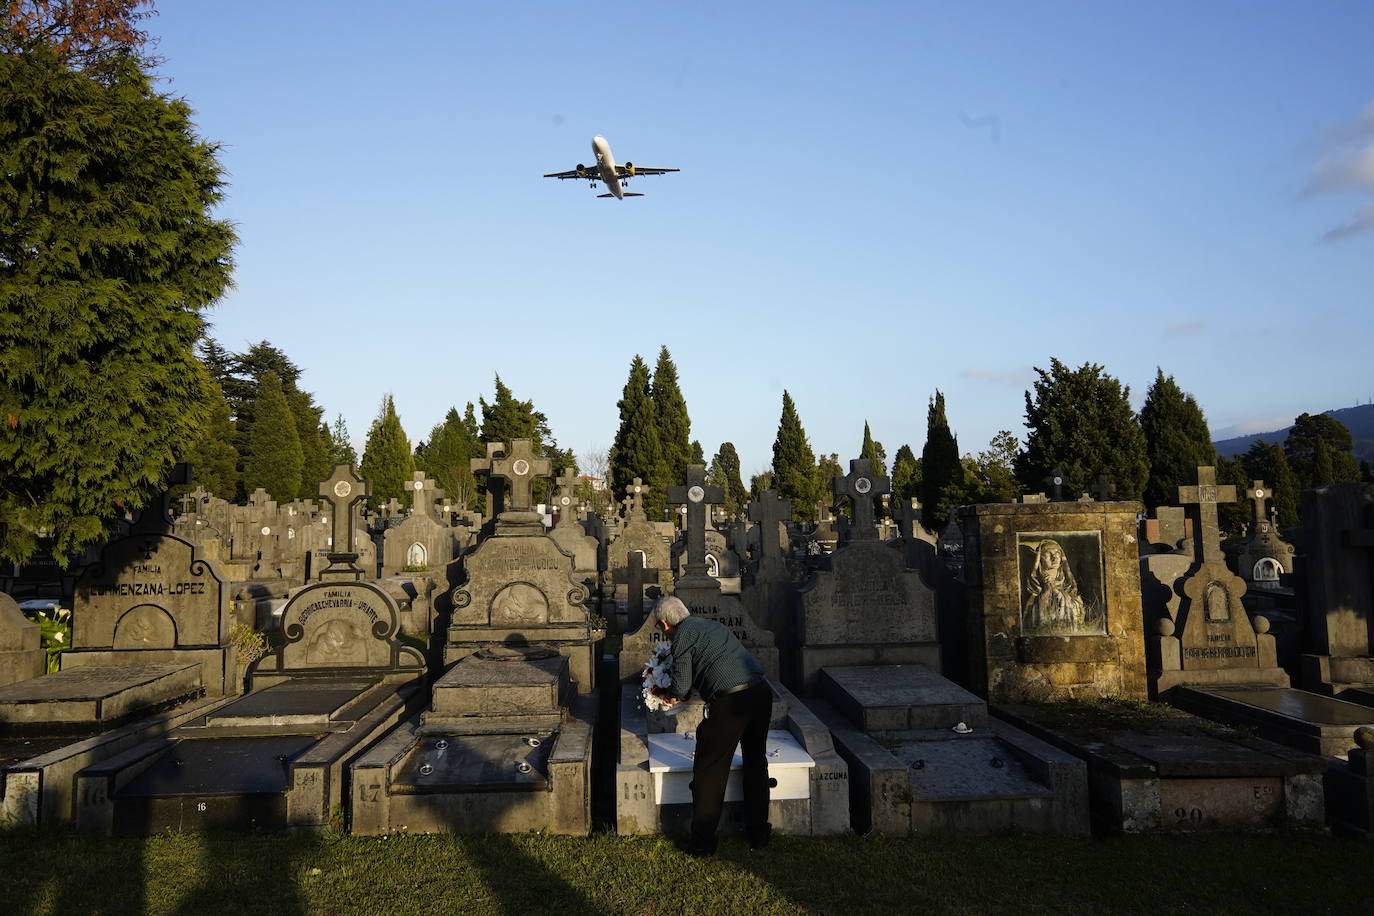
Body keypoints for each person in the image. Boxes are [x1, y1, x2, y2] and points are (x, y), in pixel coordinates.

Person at [656, 595, 771, 856]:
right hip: (760, 693)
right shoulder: (710, 625)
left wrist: (668, 693)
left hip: (731, 703)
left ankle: (702, 843)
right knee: (755, 762)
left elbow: (682, 685)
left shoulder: (682, 635)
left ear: (664, 624)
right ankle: (758, 834)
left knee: (710, 772)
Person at [1022, 538, 1086, 632]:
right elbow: (1031, 606)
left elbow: (1076, 602)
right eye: (1048, 554)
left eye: (1057, 553)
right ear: (1039, 559)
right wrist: (1047, 588)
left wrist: (1060, 594)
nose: (1054, 557)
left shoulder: (1066, 580)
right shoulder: (1034, 581)